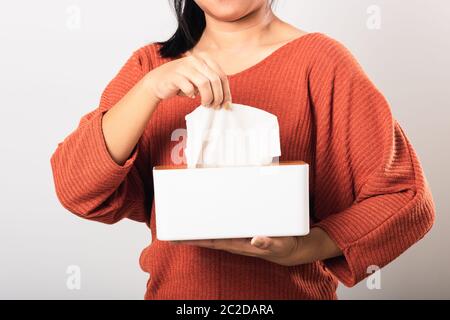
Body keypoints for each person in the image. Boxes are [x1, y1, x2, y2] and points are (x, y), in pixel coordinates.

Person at [51, 0, 435, 299]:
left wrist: (306, 248)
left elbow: (405, 197)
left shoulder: (322, 64)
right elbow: (75, 187)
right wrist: (150, 90)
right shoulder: (149, 67)